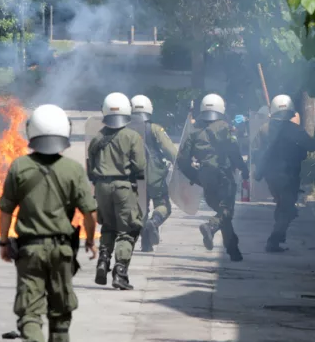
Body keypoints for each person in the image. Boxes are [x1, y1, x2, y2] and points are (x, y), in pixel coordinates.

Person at [0, 104, 98, 342]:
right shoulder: (73, 170)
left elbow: (5, 210)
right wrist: (90, 241)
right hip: (63, 251)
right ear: (64, 133)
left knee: (30, 310)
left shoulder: (19, 167)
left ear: (32, 132)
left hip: (28, 250)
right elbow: (90, 214)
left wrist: (4, 242)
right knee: (60, 311)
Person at [177, 93, 248, 262]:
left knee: (223, 212)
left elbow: (182, 160)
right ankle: (210, 226)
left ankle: (233, 250)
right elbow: (234, 151)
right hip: (223, 175)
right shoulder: (225, 127)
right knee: (226, 211)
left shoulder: (194, 130)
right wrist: (244, 169)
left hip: (205, 177)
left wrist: (196, 177)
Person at [87, 92, 146, 289]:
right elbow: (140, 165)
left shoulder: (97, 138)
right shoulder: (132, 137)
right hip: (123, 187)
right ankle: (120, 272)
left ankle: (103, 260)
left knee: (109, 226)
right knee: (128, 230)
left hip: (101, 188)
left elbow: (90, 165)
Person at [253, 94, 315, 252]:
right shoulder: (294, 130)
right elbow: (311, 145)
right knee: (288, 208)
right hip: (289, 176)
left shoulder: (264, 129)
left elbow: (255, 152)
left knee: (283, 205)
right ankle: (274, 239)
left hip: (271, 177)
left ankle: (278, 235)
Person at [131, 95, 177, 252]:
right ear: (149, 110)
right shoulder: (155, 129)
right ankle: (155, 222)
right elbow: (171, 151)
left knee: (141, 211)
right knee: (164, 205)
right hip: (154, 177)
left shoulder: (124, 130)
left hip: (133, 178)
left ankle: (146, 244)